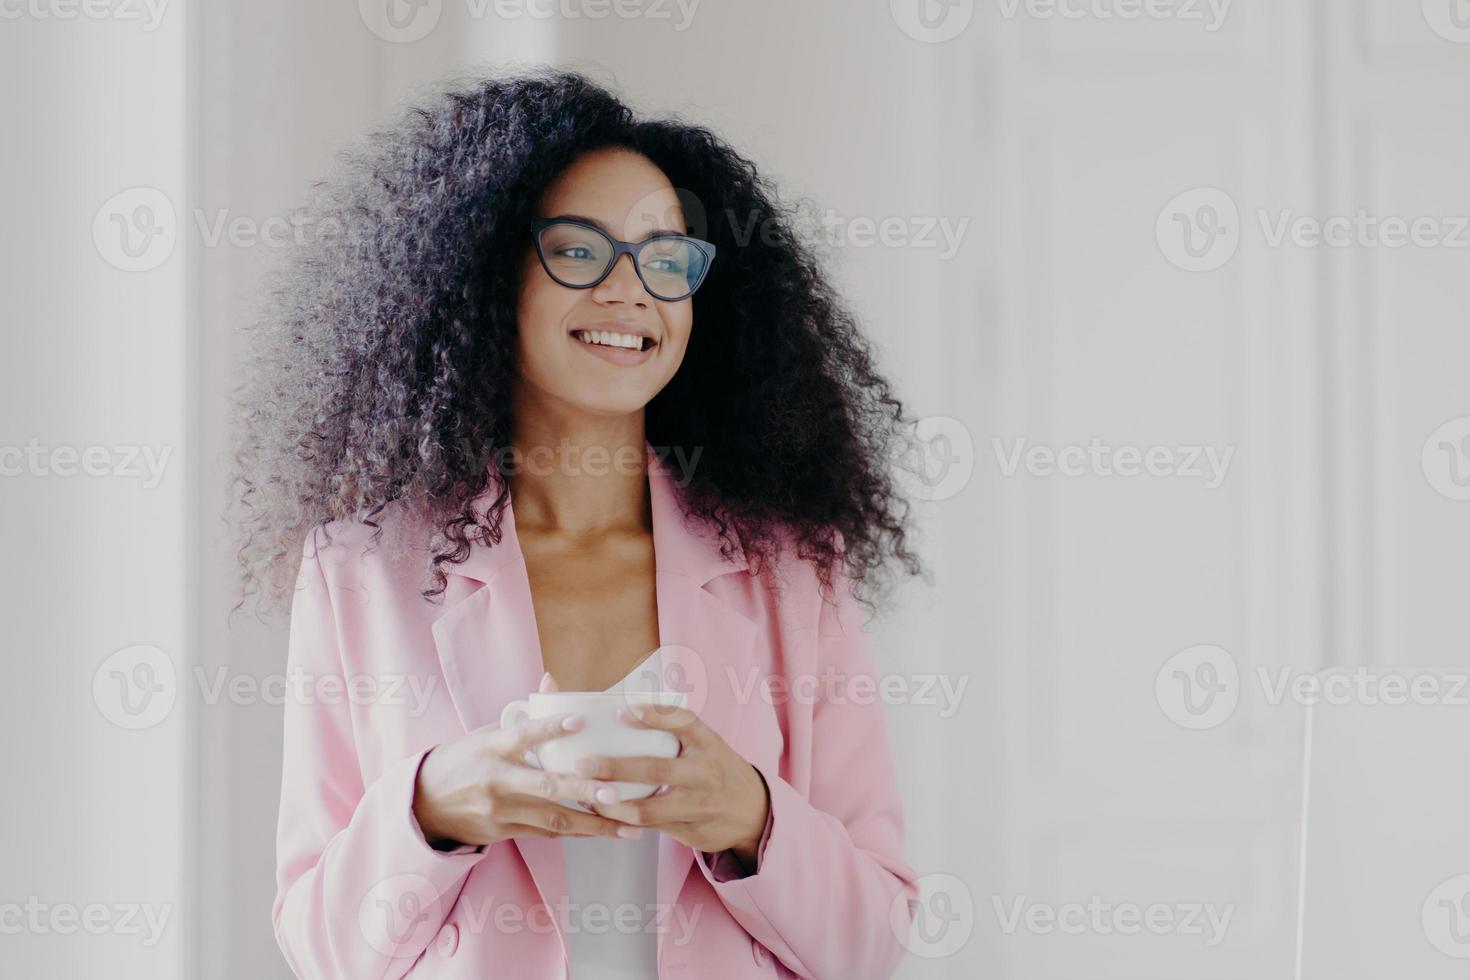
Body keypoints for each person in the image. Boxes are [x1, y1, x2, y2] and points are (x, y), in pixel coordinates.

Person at [233, 66, 926, 980]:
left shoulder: (792, 569)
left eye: (663, 257)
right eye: (578, 250)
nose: (630, 289)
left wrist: (749, 817)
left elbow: (872, 942)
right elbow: (322, 949)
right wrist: (434, 807)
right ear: (485, 269)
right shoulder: (361, 569)